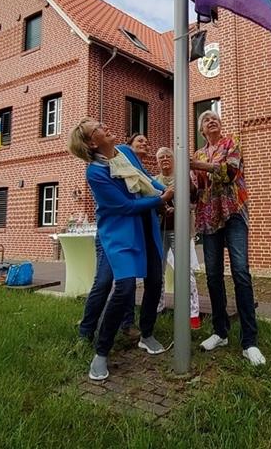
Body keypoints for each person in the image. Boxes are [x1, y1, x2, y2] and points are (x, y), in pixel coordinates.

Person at [68, 118, 174, 381]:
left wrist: (168, 190)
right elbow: (125, 206)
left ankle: (146, 334)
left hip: (146, 226)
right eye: (98, 128)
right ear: (93, 142)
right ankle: (101, 351)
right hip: (119, 232)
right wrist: (160, 199)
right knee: (123, 286)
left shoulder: (126, 153)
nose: (105, 126)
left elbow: (144, 179)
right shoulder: (95, 172)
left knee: (155, 280)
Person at [190, 111, 266, 366]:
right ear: (202, 131)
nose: (212, 121)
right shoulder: (198, 154)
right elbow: (195, 189)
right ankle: (220, 332)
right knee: (212, 275)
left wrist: (201, 167)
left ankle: (250, 342)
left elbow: (231, 172)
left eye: (215, 119)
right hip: (209, 217)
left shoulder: (231, 143)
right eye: (206, 120)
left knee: (241, 272)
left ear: (220, 126)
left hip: (233, 213)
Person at [154, 147, 201, 329]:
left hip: (180, 230)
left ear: (174, 160)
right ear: (157, 162)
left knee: (186, 270)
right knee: (158, 270)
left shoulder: (183, 177)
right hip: (160, 230)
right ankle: (158, 307)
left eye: (168, 156)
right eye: (161, 157)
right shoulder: (155, 180)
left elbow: (193, 200)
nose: (165, 159)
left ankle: (193, 312)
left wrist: (179, 207)